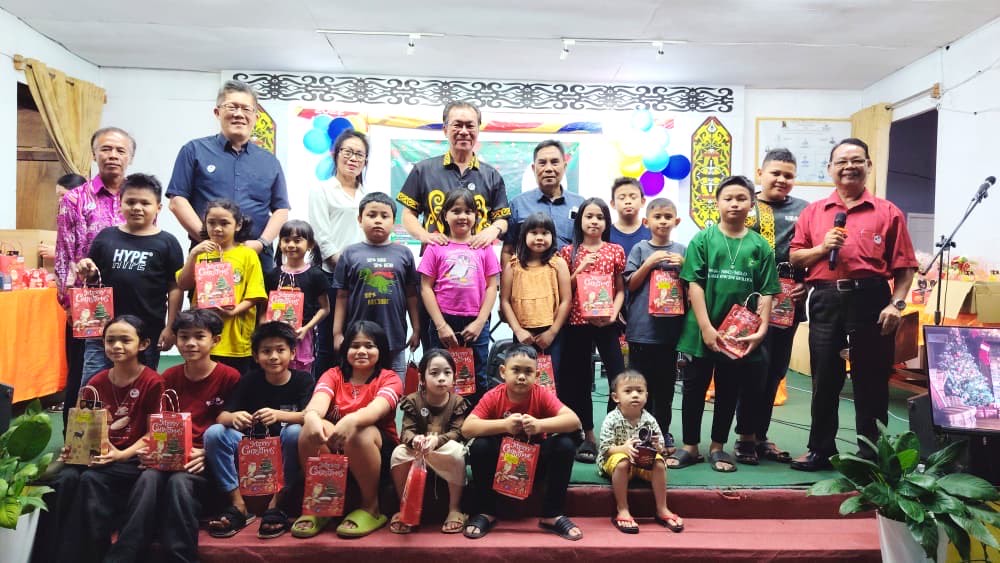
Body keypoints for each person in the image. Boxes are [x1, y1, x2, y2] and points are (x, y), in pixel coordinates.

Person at [789, 138, 918, 471]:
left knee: (871, 380)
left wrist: (896, 304)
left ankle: (871, 455)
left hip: (872, 298)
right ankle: (820, 450)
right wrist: (822, 248)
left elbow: (905, 267)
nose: (849, 166)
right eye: (842, 161)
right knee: (824, 378)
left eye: (857, 160)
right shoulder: (813, 212)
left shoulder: (888, 212)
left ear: (868, 166)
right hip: (825, 299)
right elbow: (796, 257)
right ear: (830, 168)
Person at [108, 309, 241, 562]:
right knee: (148, 477)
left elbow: (234, 431)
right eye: (184, 336)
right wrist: (151, 450)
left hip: (204, 464)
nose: (190, 343)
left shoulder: (230, 377)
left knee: (180, 481)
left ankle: (181, 557)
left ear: (215, 340)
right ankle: (125, 555)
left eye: (199, 336)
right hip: (168, 457)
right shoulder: (168, 377)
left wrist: (207, 453)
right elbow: (156, 424)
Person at [670, 175, 780, 473]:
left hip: (738, 336)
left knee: (728, 390)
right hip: (700, 331)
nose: (734, 203)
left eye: (741, 198)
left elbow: (767, 291)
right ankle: (690, 446)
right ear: (717, 203)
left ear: (751, 204)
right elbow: (694, 284)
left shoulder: (760, 245)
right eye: (728, 198)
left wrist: (762, 329)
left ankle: (718, 446)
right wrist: (706, 327)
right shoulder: (703, 240)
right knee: (694, 389)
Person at [41, 316, 163, 563]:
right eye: (110, 340)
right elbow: (82, 425)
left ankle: (89, 555)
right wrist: (73, 449)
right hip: (98, 458)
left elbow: (155, 433)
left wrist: (120, 455)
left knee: (90, 479)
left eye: (125, 340)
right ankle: (47, 555)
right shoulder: (96, 382)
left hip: (132, 461)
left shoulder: (153, 382)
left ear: (143, 344)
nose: (116, 346)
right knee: (64, 480)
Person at [397, 100, 510, 349]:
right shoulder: (424, 170)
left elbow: (503, 218)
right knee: (436, 352)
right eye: (457, 125)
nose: (464, 131)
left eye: (470, 125)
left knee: (475, 353)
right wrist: (425, 236)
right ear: (445, 129)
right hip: (435, 275)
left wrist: (493, 230)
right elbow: (407, 215)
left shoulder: (491, 175)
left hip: (476, 283)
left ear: (478, 129)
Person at [56, 127, 137, 426]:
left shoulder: (138, 198)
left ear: (130, 157)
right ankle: (73, 442)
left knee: (129, 371)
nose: (113, 155)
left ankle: (122, 437)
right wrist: (68, 303)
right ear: (94, 154)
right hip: (87, 303)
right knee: (83, 373)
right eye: (106, 149)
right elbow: (64, 253)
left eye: (120, 150)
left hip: (131, 297)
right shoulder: (75, 199)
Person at [203, 321, 314, 540]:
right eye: (266, 351)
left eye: (280, 350)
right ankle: (238, 505)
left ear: (292, 353)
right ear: (255, 356)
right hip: (252, 448)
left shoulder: (303, 379)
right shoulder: (249, 380)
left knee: (294, 432)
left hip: (286, 450)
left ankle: (276, 504)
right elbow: (222, 416)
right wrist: (234, 417)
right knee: (214, 433)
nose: (273, 356)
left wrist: (279, 415)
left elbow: (310, 415)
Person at [167, 79, 289, 275]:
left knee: (258, 296)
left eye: (246, 109)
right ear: (217, 112)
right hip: (209, 253)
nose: (239, 114)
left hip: (256, 256)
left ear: (255, 117)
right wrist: (209, 240)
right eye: (232, 107)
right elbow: (177, 201)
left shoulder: (270, 161)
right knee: (207, 298)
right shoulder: (194, 150)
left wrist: (261, 243)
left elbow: (281, 210)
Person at [292, 320, 402, 539]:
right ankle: (321, 506)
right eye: (355, 345)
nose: (361, 351)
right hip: (336, 445)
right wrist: (311, 416)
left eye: (369, 346)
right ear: (345, 349)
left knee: (358, 432)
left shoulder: (390, 378)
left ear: (380, 349)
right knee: (311, 429)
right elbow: (318, 403)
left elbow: (375, 411)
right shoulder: (333, 374)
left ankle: (371, 507)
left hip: (376, 448)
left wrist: (351, 420)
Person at [462, 344, 583, 541]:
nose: (521, 377)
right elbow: (467, 428)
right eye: (515, 370)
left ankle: (552, 514)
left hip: (535, 465)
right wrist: (504, 425)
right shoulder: (494, 396)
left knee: (565, 445)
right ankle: (486, 511)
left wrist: (539, 425)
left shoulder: (541, 393)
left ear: (537, 375)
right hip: (502, 466)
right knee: (480, 446)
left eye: (528, 372)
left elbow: (574, 421)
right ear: (503, 372)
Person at [733, 148, 809, 464]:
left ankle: (760, 437)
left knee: (776, 371)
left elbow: (813, 253)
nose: (781, 179)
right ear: (760, 173)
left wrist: (809, 282)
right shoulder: (745, 204)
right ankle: (744, 438)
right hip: (751, 301)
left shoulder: (805, 210)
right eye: (775, 173)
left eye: (788, 175)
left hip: (788, 302)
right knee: (754, 370)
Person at [76, 173, 184, 381]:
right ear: (120, 204)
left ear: (158, 207)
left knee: (142, 386)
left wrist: (171, 327)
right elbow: (93, 277)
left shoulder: (167, 243)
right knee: (93, 384)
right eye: (131, 202)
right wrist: (87, 270)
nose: (137, 208)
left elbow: (175, 287)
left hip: (146, 332)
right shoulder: (106, 237)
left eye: (145, 203)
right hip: (102, 331)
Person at [557, 197, 626, 463]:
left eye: (600, 217)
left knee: (617, 377)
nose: (594, 221)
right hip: (577, 324)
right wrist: (581, 269)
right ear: (580, 221)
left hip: (607, 324)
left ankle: (612, 432)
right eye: (589, 216)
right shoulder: (568, 252)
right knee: (580, 380)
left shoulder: (615, 251)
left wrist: (613, 314)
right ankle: (588, 435)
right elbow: (564, 290)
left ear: (607, 222)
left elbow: (620, 289)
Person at [418, 190, 501, 399]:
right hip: (443, 321)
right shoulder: (435, 247)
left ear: (476, 216)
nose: (462, 216)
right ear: (445, 215)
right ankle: (442, 418)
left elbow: (492, 287)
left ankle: (475, 419)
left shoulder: (484, 248)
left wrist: (480, 322)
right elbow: (425, 287)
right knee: (439, 373)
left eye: (468, 211)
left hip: (476, 322)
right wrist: (440, 326)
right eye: (456, 211)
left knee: (478, 377)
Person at [333, 192, 420, 380]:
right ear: (360, 219)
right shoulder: (349, 253)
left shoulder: (404, 253)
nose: (378, 220)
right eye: (371, 215)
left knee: (395, 386)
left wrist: (416, 329)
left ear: (393, 221)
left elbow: (411, 295)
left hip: (394, 336)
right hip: (359, 340)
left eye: (384, 216)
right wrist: (337, 333)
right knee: (361, 385)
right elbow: (341, 296)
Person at [176, 199, 267, 374]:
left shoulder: (247, 254)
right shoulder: (200, 253)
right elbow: (183, 284)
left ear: (238, 225)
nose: (217, 228)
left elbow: (255, 294)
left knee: (235, 382)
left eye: (224, 223)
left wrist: (234, 311)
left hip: (235, 337)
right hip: (202, 335)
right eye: (211, 223)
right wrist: (193, 254)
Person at [623, 197, 686, 448]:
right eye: (657, 217)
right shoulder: (639, 249)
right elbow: (630, 284)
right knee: (639, 387)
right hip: (641, 331)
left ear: (676, 221)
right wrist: (649, 263)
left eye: (668, 217)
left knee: (665, 388)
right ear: (646, 221)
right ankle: (639, 432)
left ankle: (663, 431)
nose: (662, 221)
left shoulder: (682, 251)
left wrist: (684, 267)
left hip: (669, 333)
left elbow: (692, 286)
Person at [388, 349, 470, 534]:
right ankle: (405, 508)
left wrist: (437, 441)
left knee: (457, 451)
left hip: (443, 449)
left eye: (447, 373)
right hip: (419, 449)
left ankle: (454, 509)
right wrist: (415, 439)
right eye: (434, 373)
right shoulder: (412, 400)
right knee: (398, 453)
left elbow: (458, 432)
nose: (441, 378)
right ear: (422, 378)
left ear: (454, 377)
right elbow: (406, 431)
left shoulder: (458, 402)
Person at [309, 130, 369, 377]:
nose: (353, 158)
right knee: (328, 343)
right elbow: (321, 236)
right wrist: (342, 266)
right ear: (336, 154)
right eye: (348, 152)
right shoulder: (323, 190)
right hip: (331, 276)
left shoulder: (367, 196)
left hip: (363, 279)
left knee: (358, 340)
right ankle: (323, 392)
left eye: (359, 154)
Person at [599, 370, 683, 534]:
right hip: (617, 462)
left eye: (639, 391)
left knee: (659, 463)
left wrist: (657, 446)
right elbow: (605, 449)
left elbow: (660, 447)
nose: (635, 395)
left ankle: (662, 508)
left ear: (646, 395)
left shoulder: (649, 419)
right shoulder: (611, 419)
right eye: (628, 391)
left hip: (643, 463)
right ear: (616, 397)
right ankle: (622, 508)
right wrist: (623, 448)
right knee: (622, 462)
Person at [500, 212, 571, 382]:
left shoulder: (558, 263)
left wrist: (552, 332)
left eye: (545, 233)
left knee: (550, 382)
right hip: (522, 334)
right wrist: (518, 330)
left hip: (552, 335)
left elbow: (566, 301)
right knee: (521, 379)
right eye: (534, 233)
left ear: (552, 236)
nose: (539, 237)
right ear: (524, 236)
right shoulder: (513, 266)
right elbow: (505, 301)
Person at [501, 139, 584, 264]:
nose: (548, 168)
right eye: (542, 163)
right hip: (529, 275)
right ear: (534, 168)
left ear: (564, 166)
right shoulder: (518, 204)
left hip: (571, 275)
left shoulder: (580, 204)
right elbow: (508, 250)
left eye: (554, 162)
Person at [265, 219, 331, 374]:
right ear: (280, 244)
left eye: (297, 240)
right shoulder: (273, 275)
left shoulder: (315, 275)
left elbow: (325, 309)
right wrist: (266, 329)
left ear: (310, 245)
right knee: (276, 373)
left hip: (303, 336)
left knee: (302, 374)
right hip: (275, 336)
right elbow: (264, 308)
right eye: (286, 240)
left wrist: (306, 328)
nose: (291, 245)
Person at [39, 173, 88, 260]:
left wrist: (58, 253)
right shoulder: (66, 217)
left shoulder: (91, 218)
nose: (60, 200)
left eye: (63, 195)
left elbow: (91, 252)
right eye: (59, 196)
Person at [609, 177, 652, 258]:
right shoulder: (606, 233)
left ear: (642, 202)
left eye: (633, 197)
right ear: (613, 204)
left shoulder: (651, 232)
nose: (628, 202)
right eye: (622, 198)